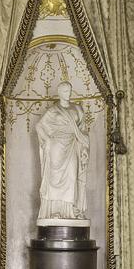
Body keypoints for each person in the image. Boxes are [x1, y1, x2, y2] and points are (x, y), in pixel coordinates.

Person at [36, 81, 89, 222]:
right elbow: (39, 126)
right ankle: (55, 211)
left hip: (72, 145)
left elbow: (83, 130)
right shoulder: (53, 110)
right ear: (59, 93)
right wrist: (47, 140)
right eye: (65, 91)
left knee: (72, 177)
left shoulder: (77, 109)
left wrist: (84, 148)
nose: (68, 94)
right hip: (56, 147)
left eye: (70, 91)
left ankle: (70, 210)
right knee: (54, 179)